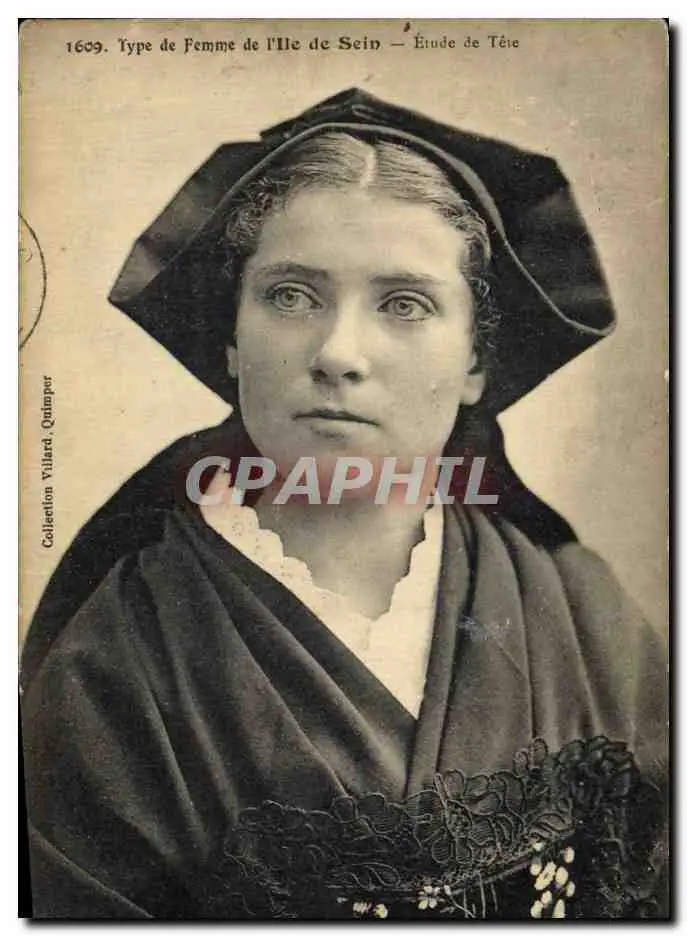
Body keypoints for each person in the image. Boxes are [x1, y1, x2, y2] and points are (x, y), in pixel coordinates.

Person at [20, 89, 667, 920]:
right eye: (292, 296)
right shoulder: (114, 661)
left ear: (476, 361)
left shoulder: (587, 615)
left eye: (404, 304)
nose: (337, 353)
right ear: (232, 338)